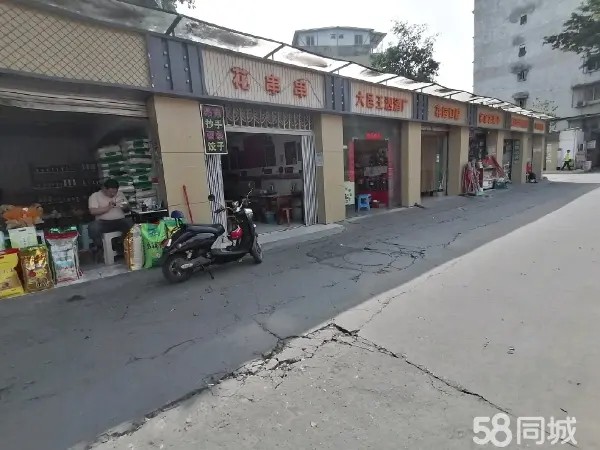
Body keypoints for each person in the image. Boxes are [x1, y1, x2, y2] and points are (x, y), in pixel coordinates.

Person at [88, 179, 132, 255]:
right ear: (104, 189)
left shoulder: (120, 194)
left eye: (115, 192)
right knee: (93, 227)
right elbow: (93, 211)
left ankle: (121, 244)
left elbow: (128, 208)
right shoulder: (95, 196)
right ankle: (100, 247)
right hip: (103, 223)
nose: (113, 194)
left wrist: (125, 207)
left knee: (130, 223)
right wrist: (108, 207)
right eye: (111, 192)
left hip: (119, 221)